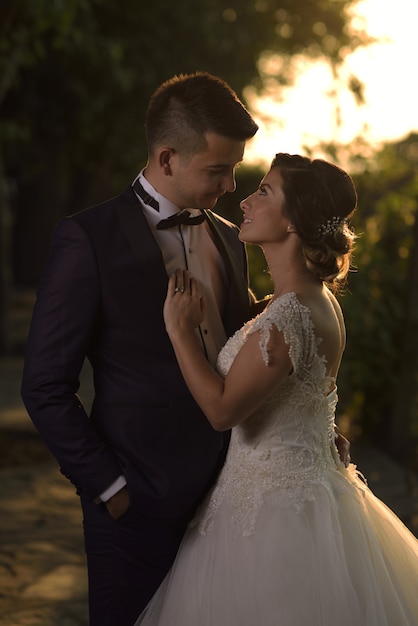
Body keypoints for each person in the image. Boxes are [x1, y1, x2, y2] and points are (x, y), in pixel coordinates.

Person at [20, 72, 348, 626]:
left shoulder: (229, 237)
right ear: (168, 158)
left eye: (238, 170)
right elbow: (45, 386)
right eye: (217, 171)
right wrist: (110, 486)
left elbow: (257, 344)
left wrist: (309, 423)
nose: (230, 186)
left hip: (234, 505)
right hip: (136, 508)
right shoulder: (87, 240)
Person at [135, 153, 418, 626]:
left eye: (264, 192)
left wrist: (181, 333)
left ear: (294, 220)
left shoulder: (287, 319)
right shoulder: (315, 302)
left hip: (271, 523)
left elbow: (223, 411)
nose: (245, 201)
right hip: (303, 495)